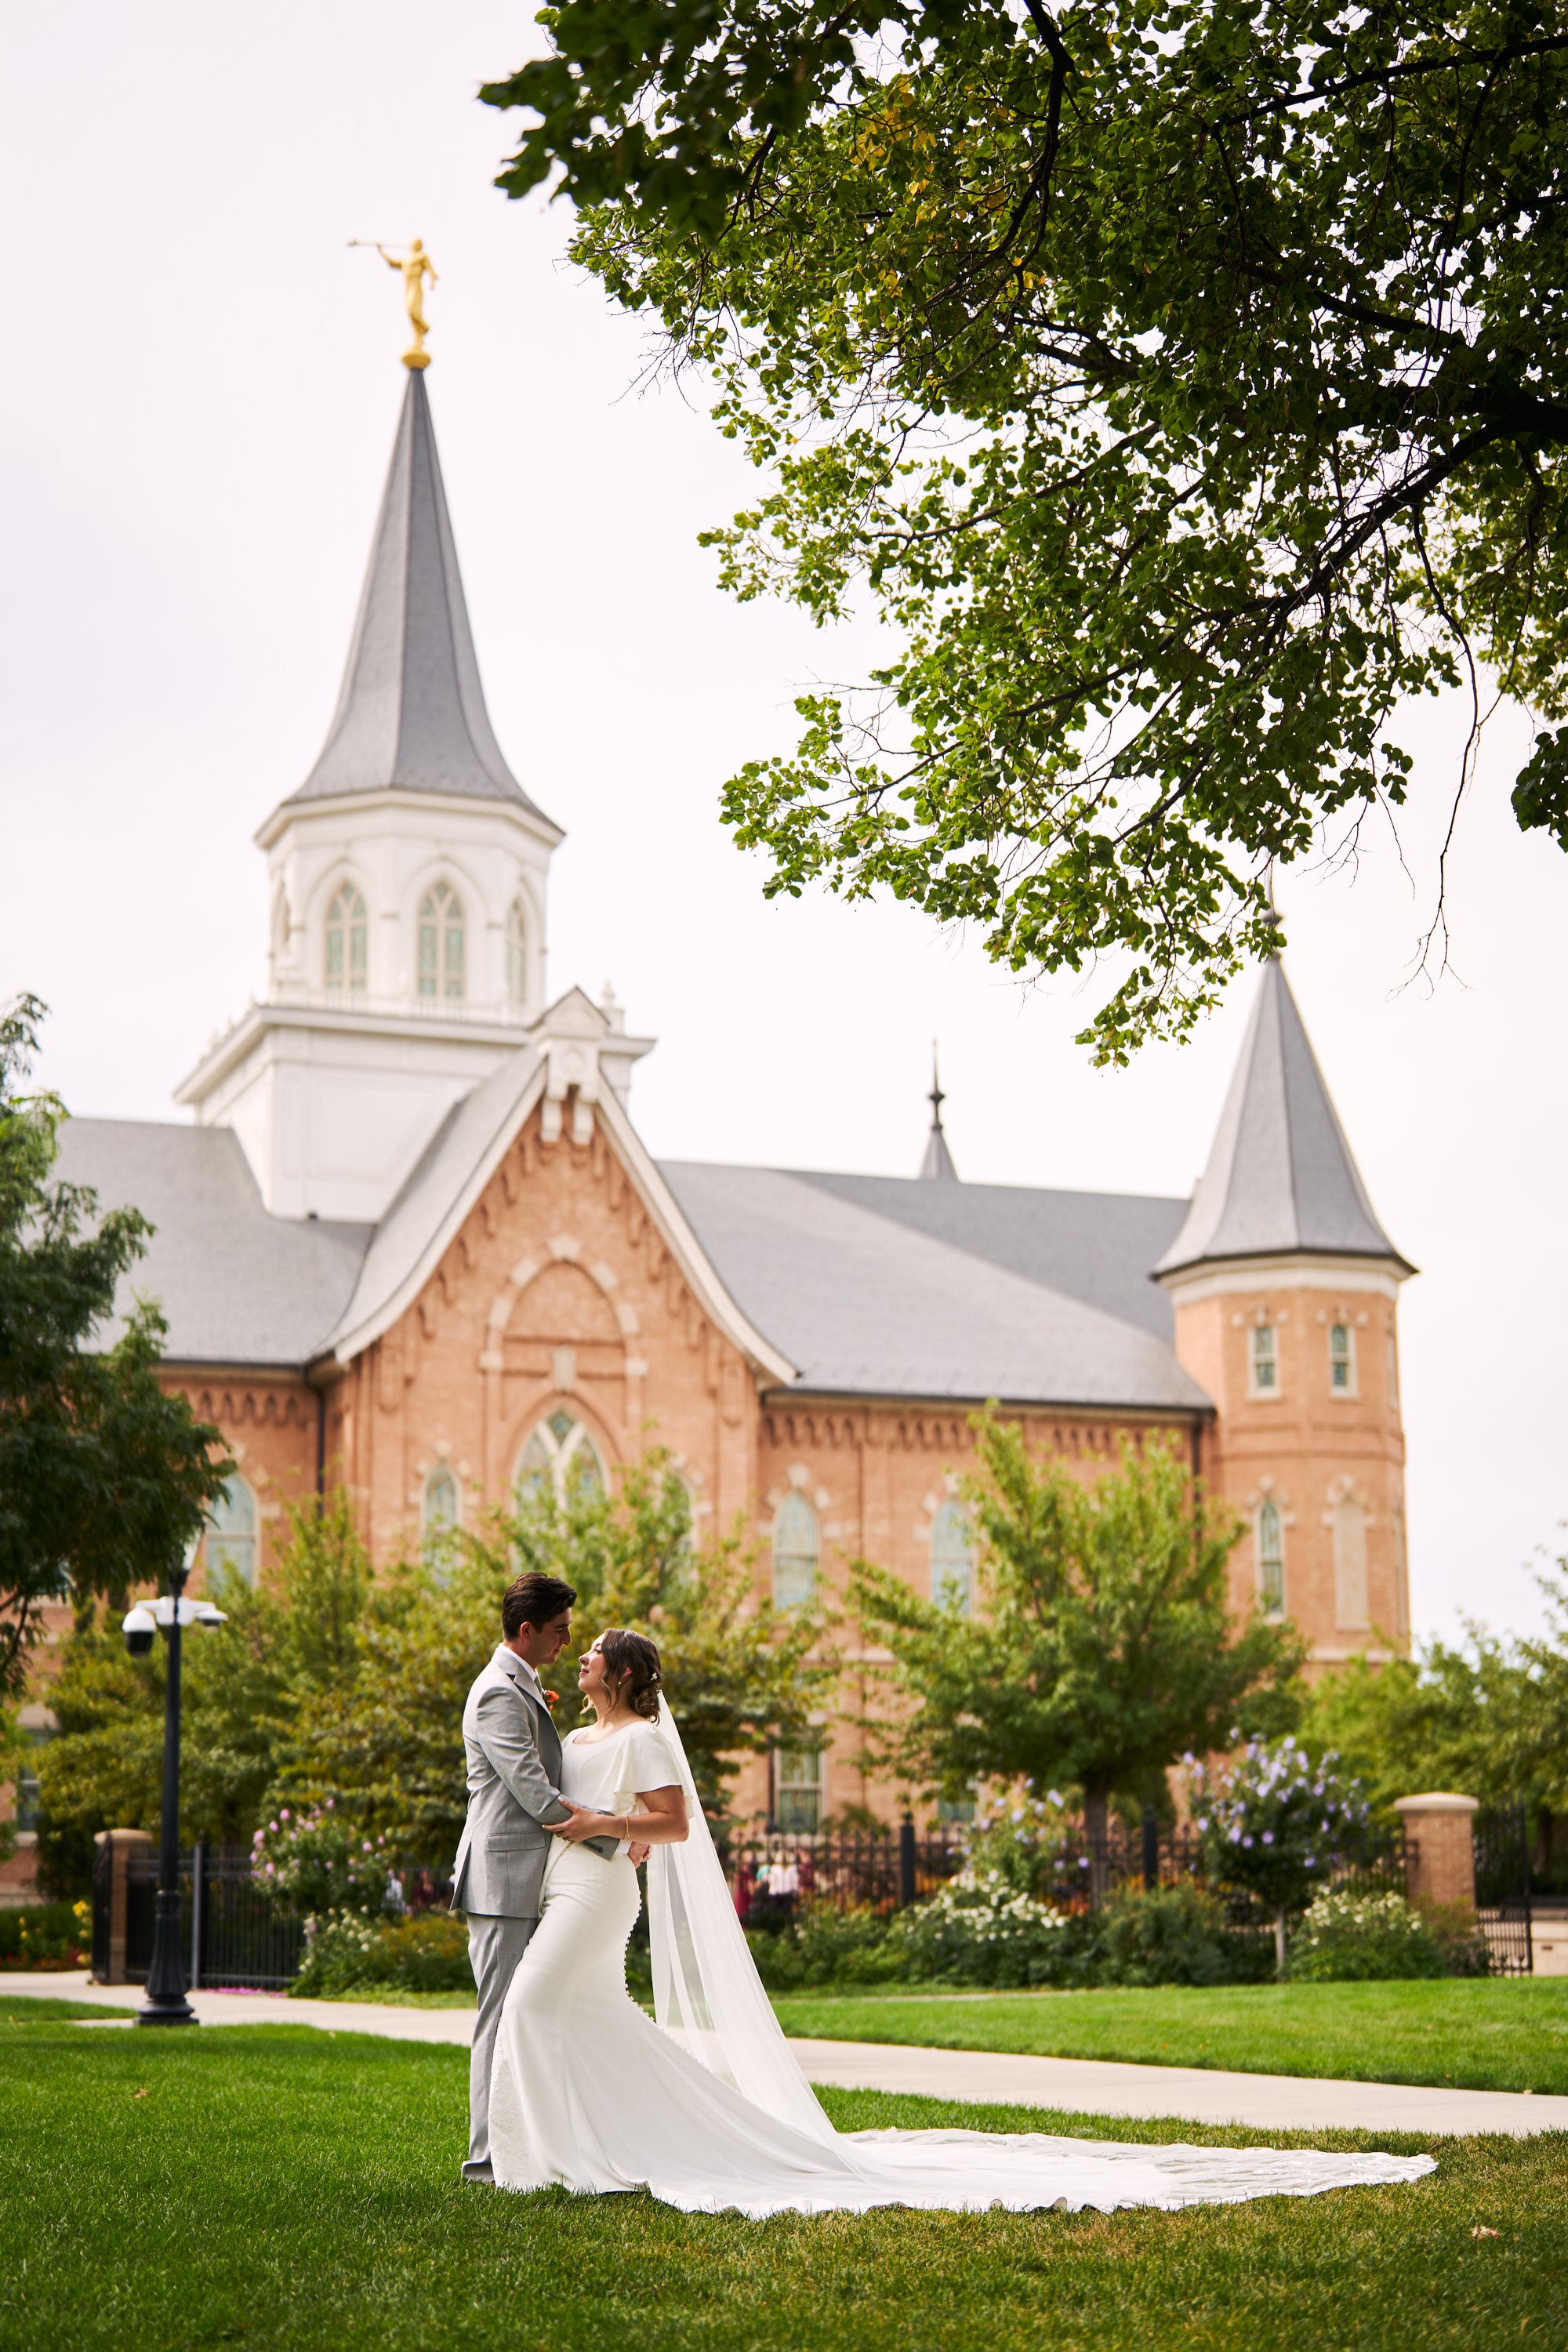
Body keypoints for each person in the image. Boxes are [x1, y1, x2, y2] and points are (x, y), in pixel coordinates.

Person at [481, 1628, 1438, 2217]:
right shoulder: (580, 1734)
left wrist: (613, 1826)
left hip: (605, 1890)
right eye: (587, 1643)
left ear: (624, 1672)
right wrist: (595, 1823)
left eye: (598, 1647)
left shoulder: (646, 1735)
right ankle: (618, 2139)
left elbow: (676, 1824)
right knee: (594, 2019)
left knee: (534, 2009)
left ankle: (562, 2156)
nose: (588, 1652)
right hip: (573, 1880)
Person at [449, 1571, 633, 2183]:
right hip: (502, 1879)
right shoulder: (498, 1692)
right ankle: (486, 2158)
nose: (566, 1643)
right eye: (559, 1632)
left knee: (530, 2015)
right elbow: (531, 1790)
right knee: (500, 2016)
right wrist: (614, 1832)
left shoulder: (521, 1683)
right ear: (526, 1632)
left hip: (533, 1875)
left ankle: (534, 2142)